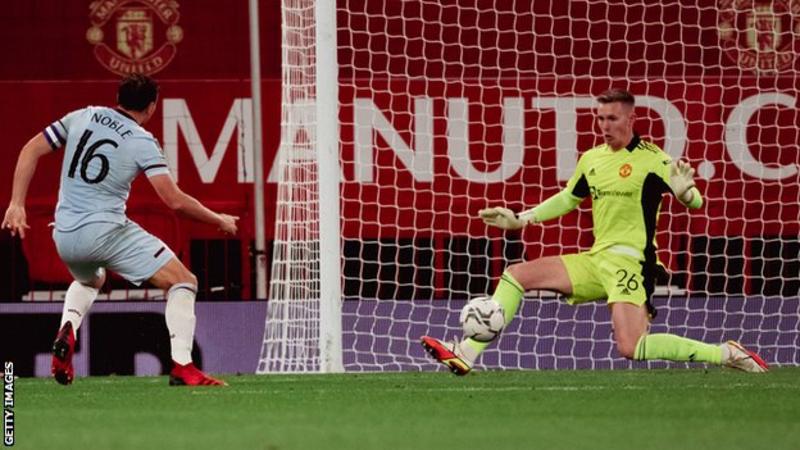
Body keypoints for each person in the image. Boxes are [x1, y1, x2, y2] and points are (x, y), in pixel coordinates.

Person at [421, 89, 769, 375]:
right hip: (596, 259)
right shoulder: (592, 158)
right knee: (515, 275)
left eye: (612, 118)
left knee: (631, 347)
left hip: (630, 264)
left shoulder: (654, 159)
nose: (604, 125)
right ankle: (466, 352)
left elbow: (694, 201)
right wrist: (521, 219)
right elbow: (568, 198)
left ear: (631, 119)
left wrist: (684, 192)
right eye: (600, 118)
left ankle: (725, 353)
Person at [2, 74, 238, 386]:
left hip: (65, 235)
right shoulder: (142, 141)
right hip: (106, 232)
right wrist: (219, 219)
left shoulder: (82, 115)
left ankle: (68, 327)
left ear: (118, 97)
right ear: (152, 107)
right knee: (183, 281)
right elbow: (175, 201)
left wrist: (17, 203)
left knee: (91, 278)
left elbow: (30, 150)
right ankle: (183, 365)